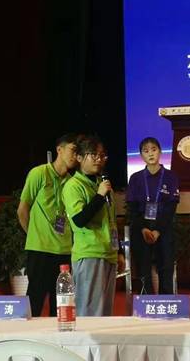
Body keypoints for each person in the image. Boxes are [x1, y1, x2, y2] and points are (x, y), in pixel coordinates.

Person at [17, 133, 78, 316]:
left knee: (60, 306)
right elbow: (22, 210)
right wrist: (33, 235)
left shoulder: (72, 182)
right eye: (73, 150)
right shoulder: (39, 173)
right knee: (34, 302)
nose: (75, 156)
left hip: (65, 252)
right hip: (40, 250)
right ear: (59, 149)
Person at [62, 135, 124, 316]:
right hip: (89, 254)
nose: (99, 159)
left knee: (104, 313)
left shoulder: (102, 185)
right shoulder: (73, 186)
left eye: (102, 155)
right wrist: (99, 196)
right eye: (93, 155)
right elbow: (79, 220)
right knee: (88, 312)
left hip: (109, 254)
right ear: (79, 157)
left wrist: (119, 251)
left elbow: (111, 221)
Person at [126, 137, 179, 295]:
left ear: (160, 152)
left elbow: (171, 207)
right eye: (146, 151)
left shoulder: (171, 177)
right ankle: (146, 305)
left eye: (154, 149)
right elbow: (132, 208)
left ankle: (166, 305)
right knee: (143, 270)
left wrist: (157, 231)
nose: (150, 154)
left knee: (166, 269)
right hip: (142, 228)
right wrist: (143, 228)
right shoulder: (135, 178)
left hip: (163, 228)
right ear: (141, 155)